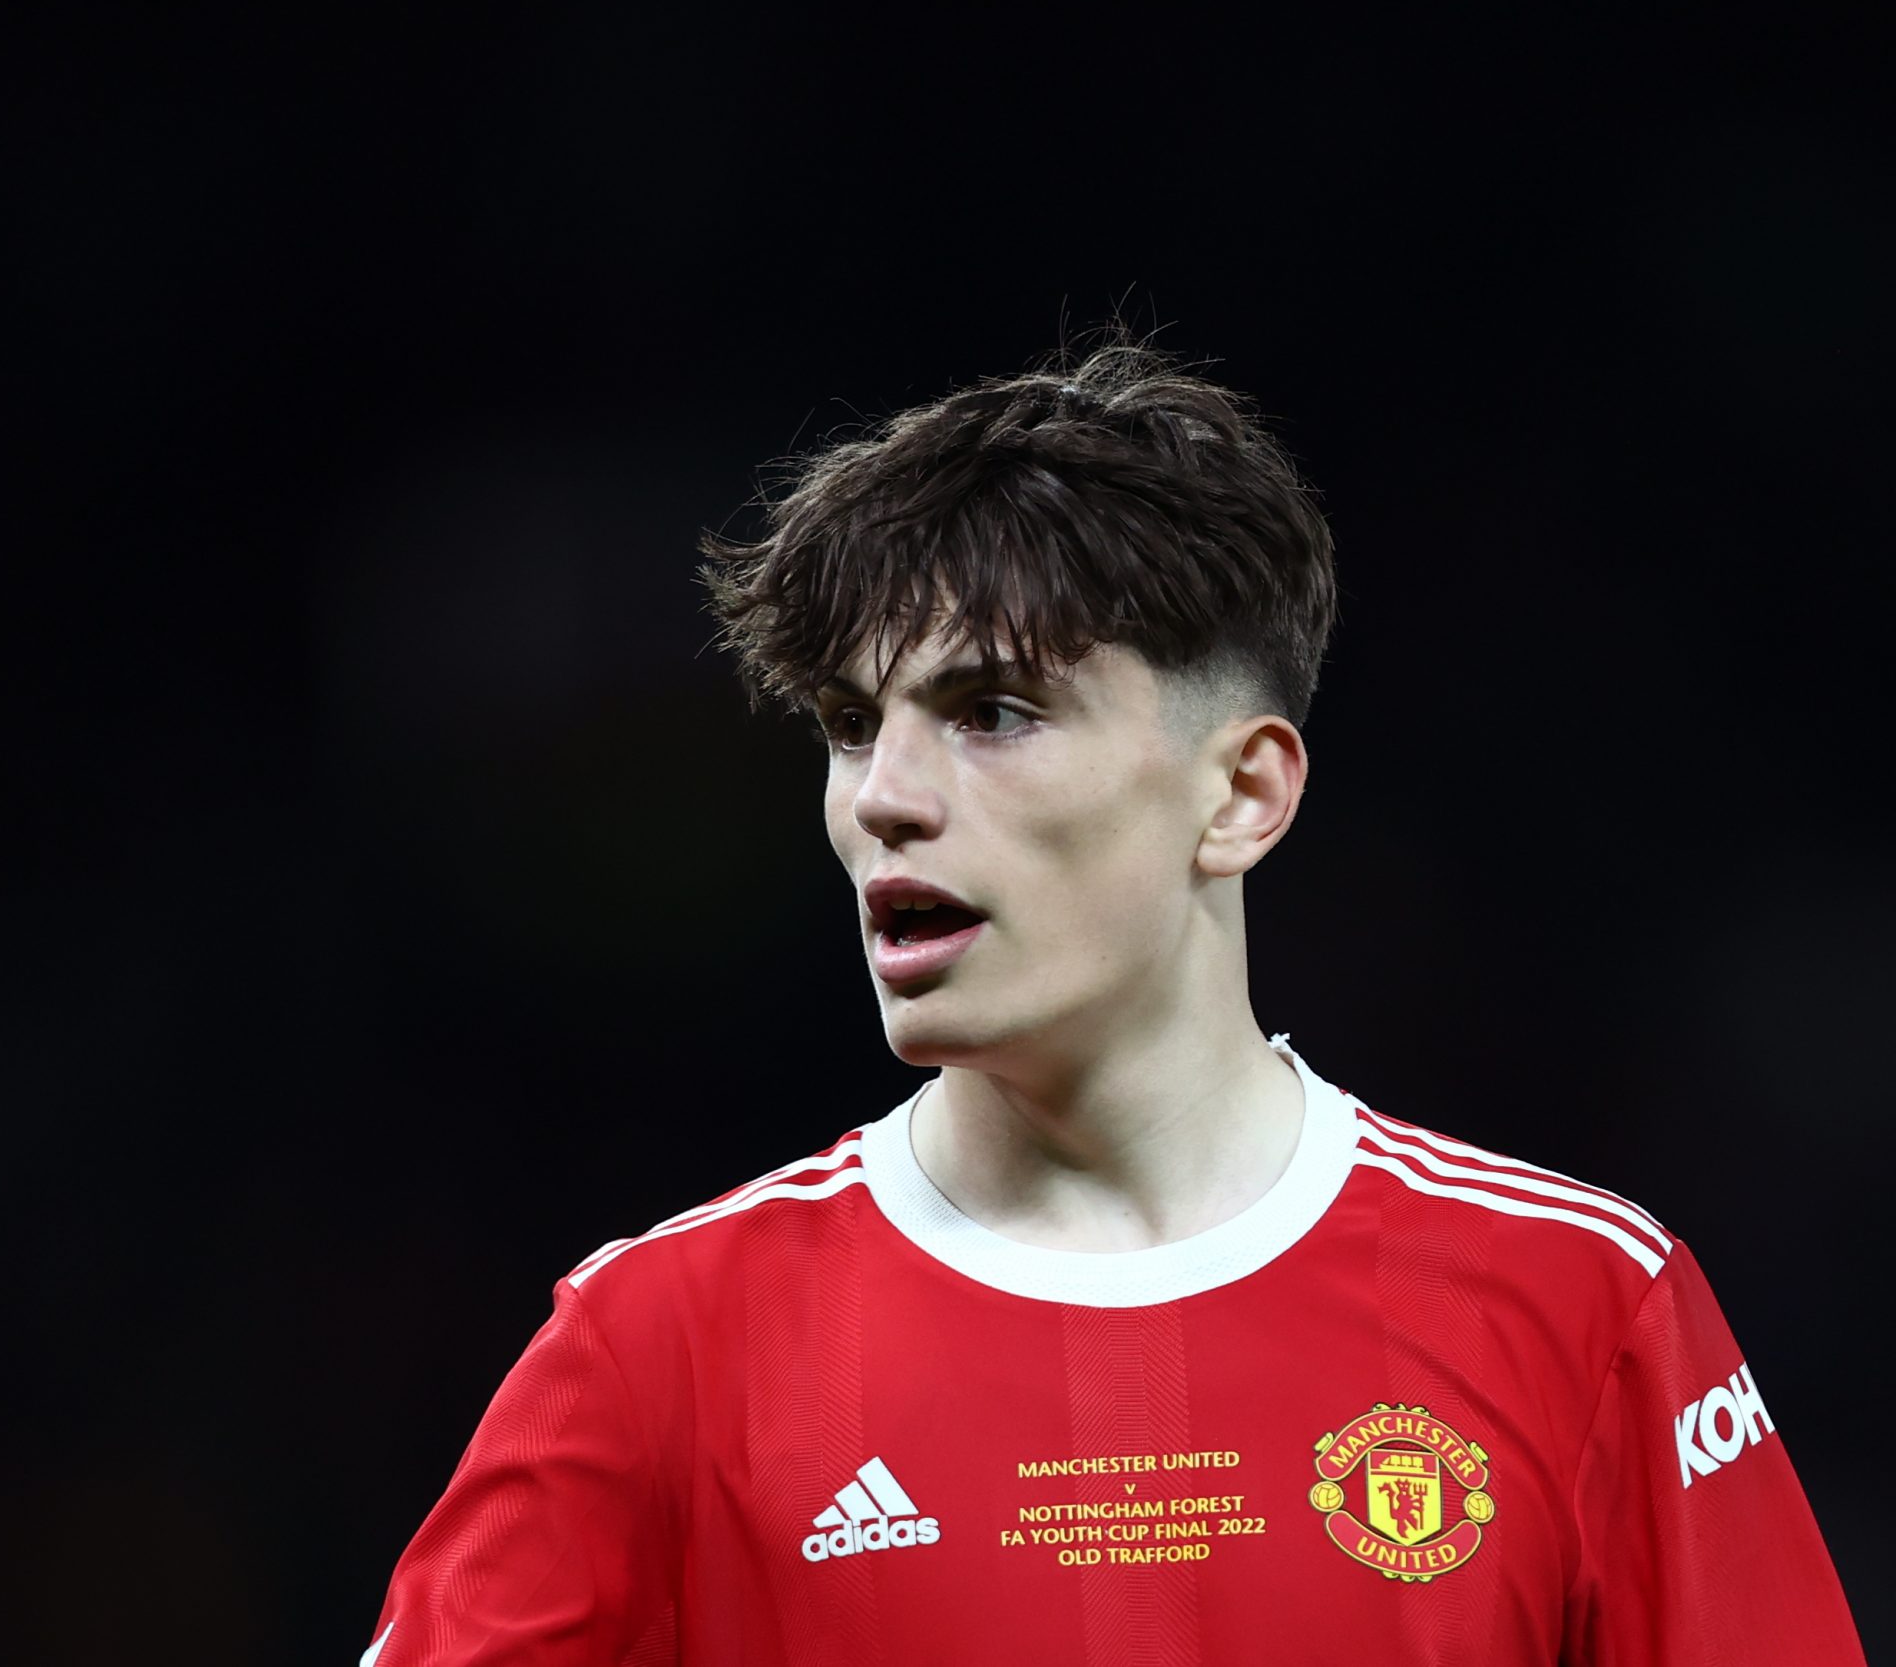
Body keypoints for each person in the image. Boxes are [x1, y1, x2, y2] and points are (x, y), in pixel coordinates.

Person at [355, 341, 1863, 1664]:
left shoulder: (1580, 1304)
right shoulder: (655, 1349)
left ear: (1242, 793)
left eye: (992, 714)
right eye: (849, 725)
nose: (882, 798)